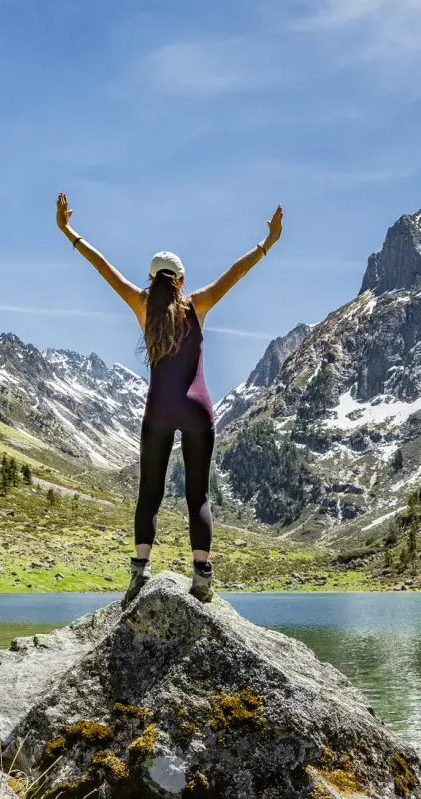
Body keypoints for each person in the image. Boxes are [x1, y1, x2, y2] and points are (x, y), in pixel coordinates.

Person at [56, 192, 283, 603]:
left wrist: (68, 231)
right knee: (198, 495)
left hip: (159, 410)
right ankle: (202, 575)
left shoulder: (142, 305)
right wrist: (268, 243)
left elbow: (102, 266)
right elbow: (235, 273)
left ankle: (139, 572)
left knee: (150, 493)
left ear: (151, 278)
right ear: (180, 280)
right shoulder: (197, 305)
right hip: (198, 409)